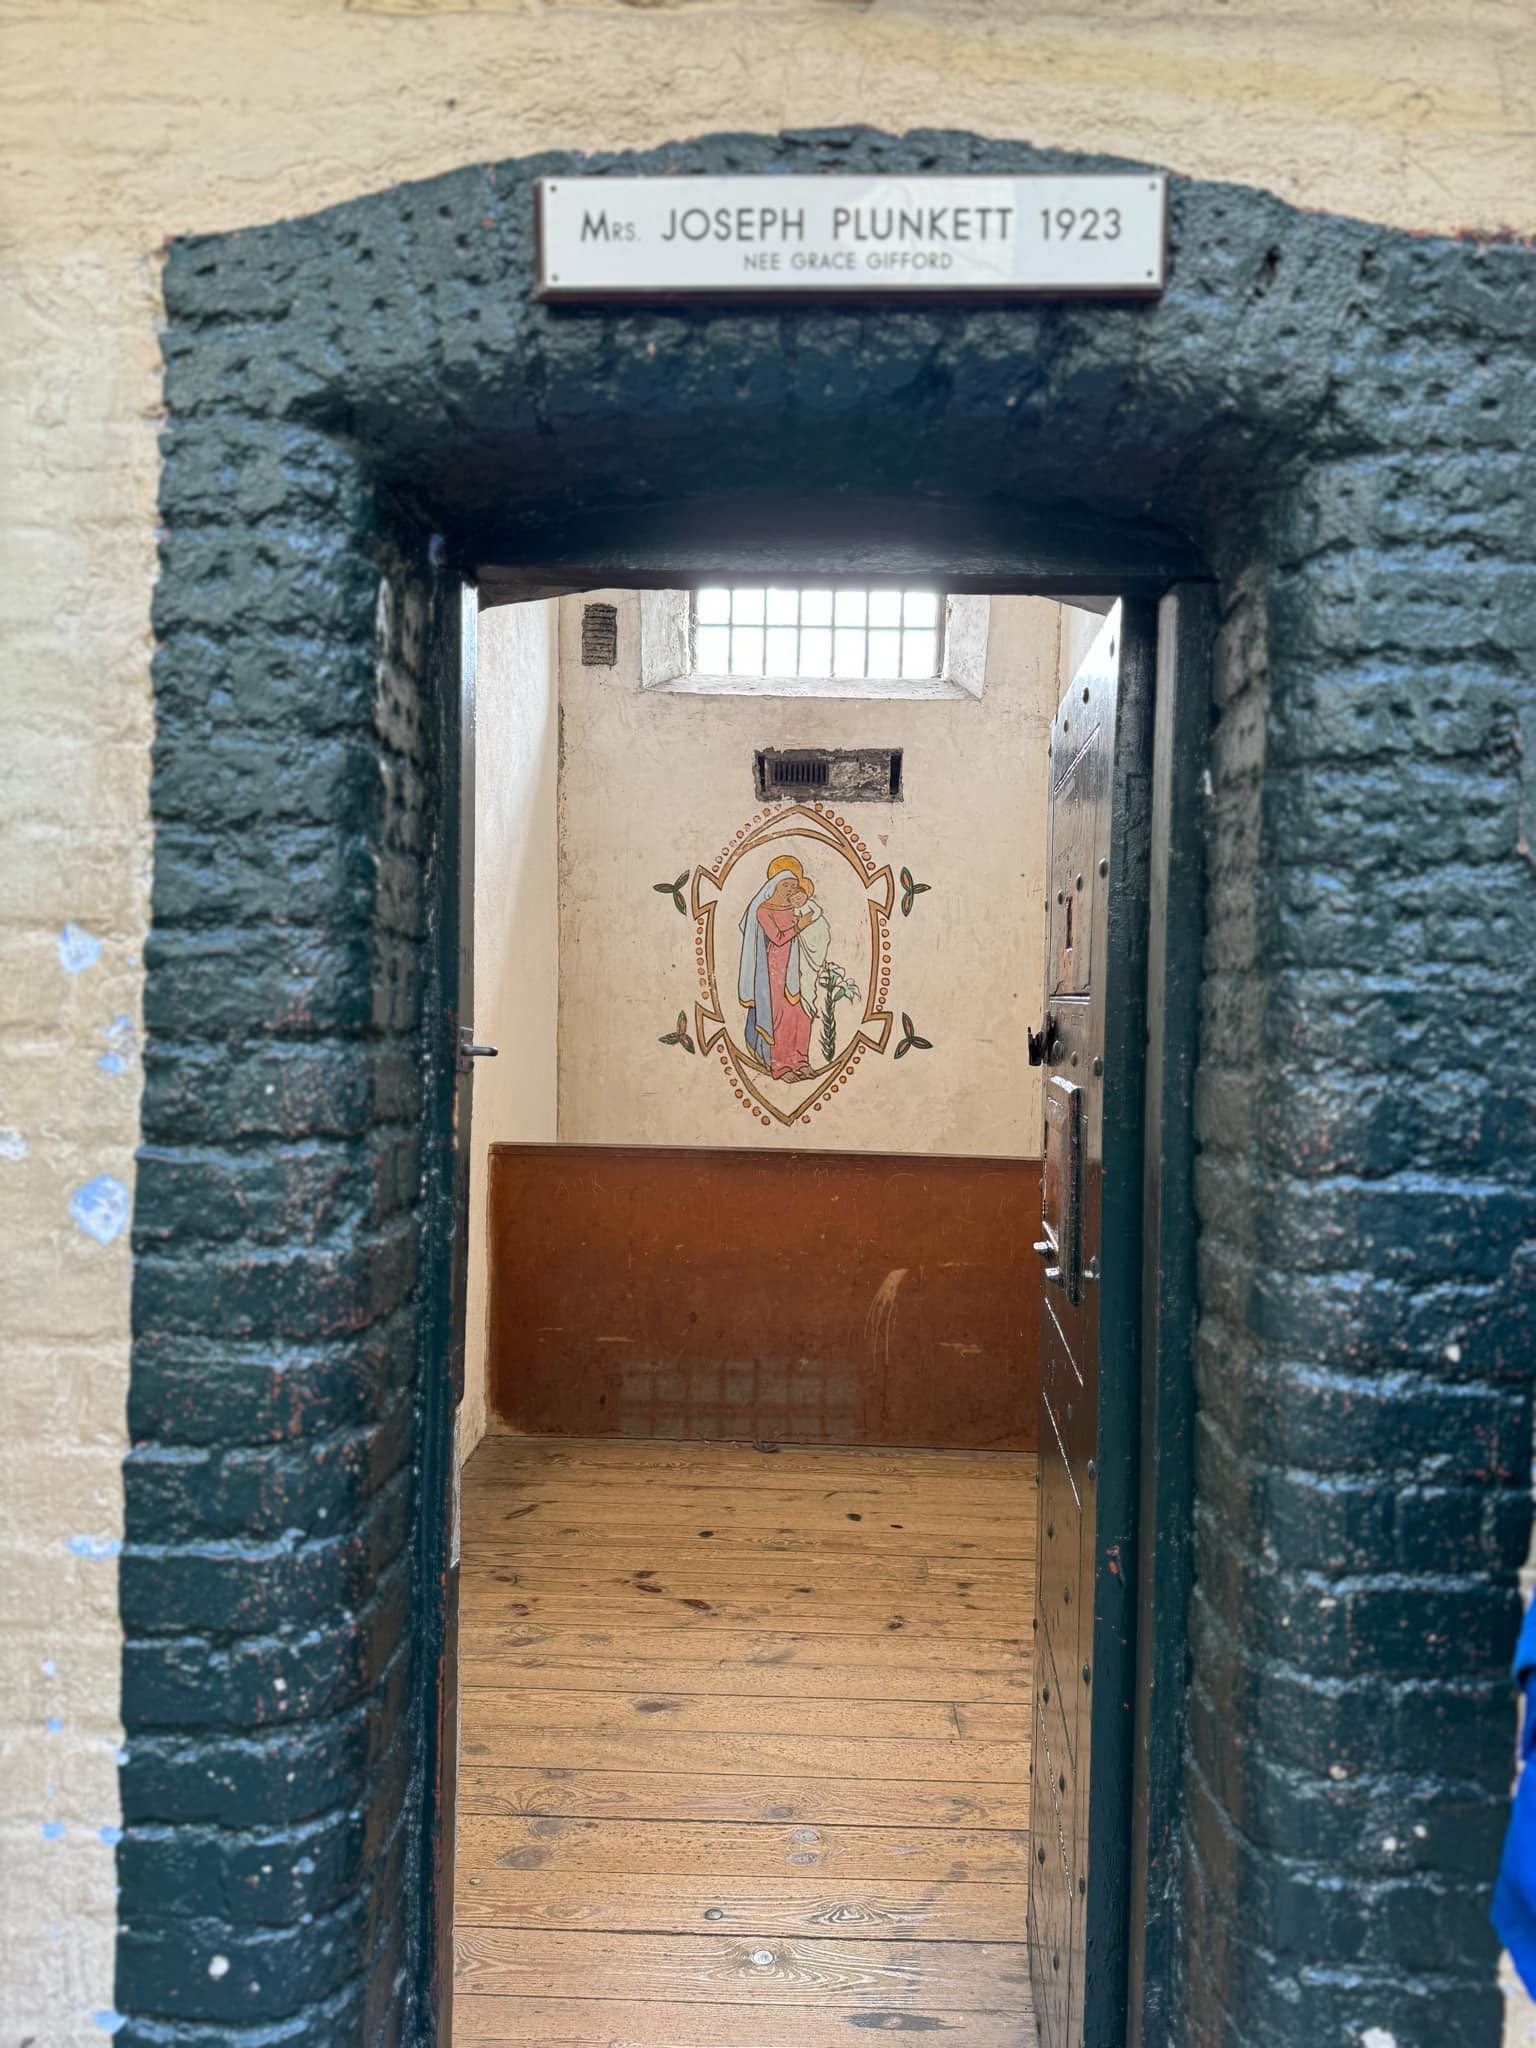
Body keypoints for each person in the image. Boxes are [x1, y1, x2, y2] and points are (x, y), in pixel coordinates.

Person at [737, 855, 814, 1080]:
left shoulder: (793, 907)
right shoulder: (764, 910)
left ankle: (800, 1061)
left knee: (800, 1016)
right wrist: (799, 926)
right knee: (778, 1019)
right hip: (772, 972)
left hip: (792, 970)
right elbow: (778, 938)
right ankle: (780, 1067)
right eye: (785, 885)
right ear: (774, 886)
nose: (790, 890)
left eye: (793, 885)